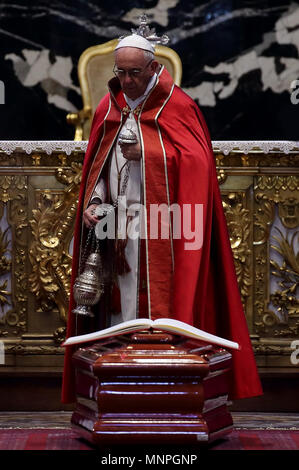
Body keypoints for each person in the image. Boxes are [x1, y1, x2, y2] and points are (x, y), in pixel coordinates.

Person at [61, 23, 262, 404]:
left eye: (134, 73)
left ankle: (167, 379)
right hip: (117, 223)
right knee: (120, 294)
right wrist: (92, 201)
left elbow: (199, 164)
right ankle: (123, 374)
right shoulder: (110, 106)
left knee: (159, 296)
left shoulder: (179, 106)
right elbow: (100, 166)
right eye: (120, 72)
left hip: (166, 226)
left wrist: (151, 155)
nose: (126, 80)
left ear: (153, 69)